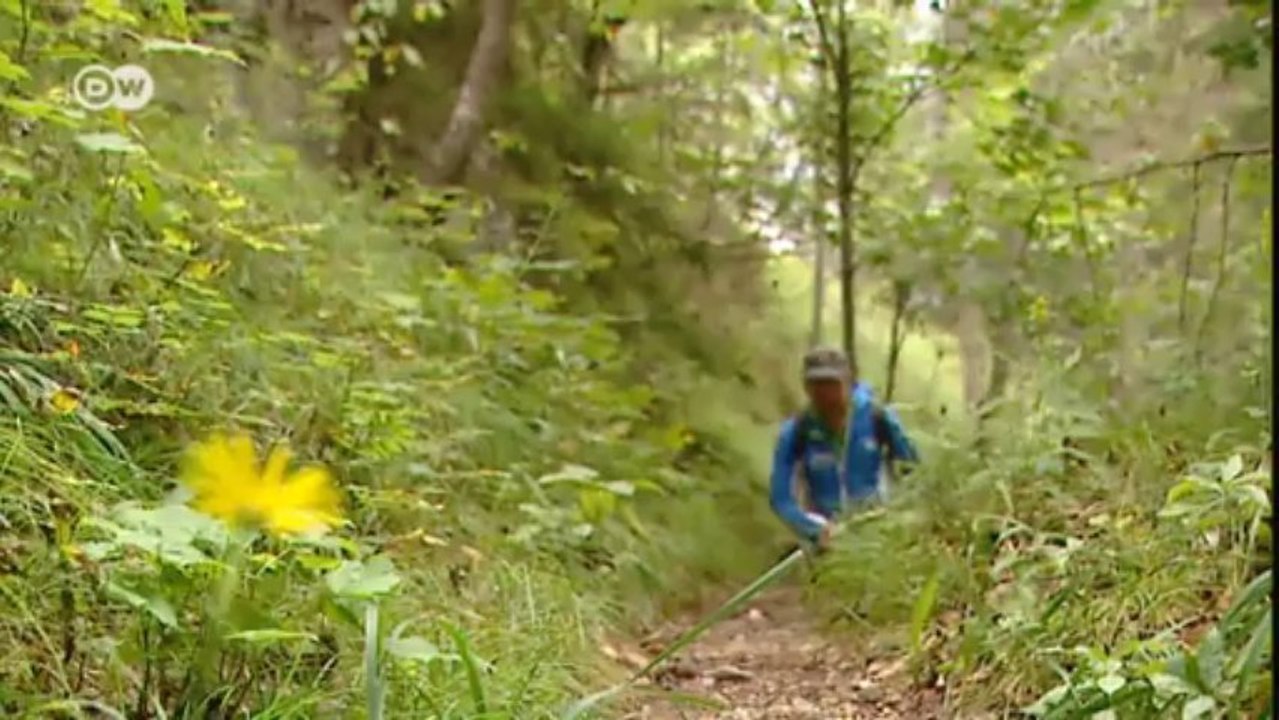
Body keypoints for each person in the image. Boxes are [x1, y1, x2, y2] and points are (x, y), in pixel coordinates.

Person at [769, 346, 919, 550]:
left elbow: (916, 475)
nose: (826, 395)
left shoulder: (877, 417)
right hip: (825, 542)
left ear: (848, 383)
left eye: (832, 384)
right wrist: (811, 527)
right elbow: (781, 498)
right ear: (806, 388)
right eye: (817, 386)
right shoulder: (797, 430)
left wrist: (899, 518)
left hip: (878, 539)